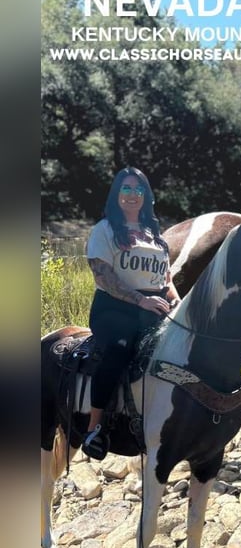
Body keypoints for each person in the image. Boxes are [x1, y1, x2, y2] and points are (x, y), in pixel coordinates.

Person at [81, 167, 181, 460]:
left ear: (146, 196)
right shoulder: (105, 230)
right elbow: (103, 276)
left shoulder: (154, 234)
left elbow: (166, 278)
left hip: (153, 306)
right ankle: (94, 428)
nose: (133, 195)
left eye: (139, 189)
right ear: (116, 194)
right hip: (114, 308)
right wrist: (140, 300)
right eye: (126, 188)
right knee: (120, 348)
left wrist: (176, 301)